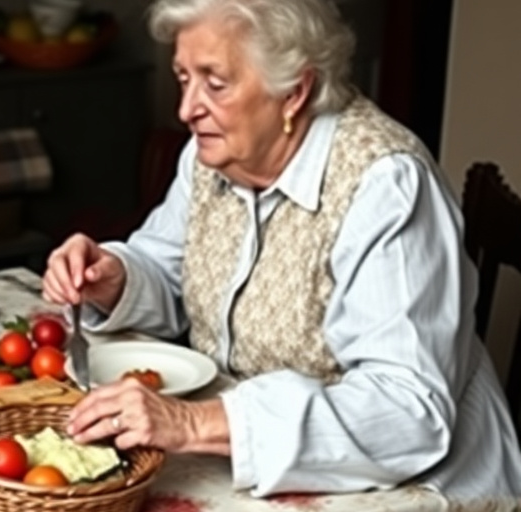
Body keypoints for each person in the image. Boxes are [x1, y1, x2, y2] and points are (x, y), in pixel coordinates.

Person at [44, 0, 521, 503]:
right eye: (184, 78)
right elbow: (169, 269)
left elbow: (406, 412)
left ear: (295, 91)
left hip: (415, 486)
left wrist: (194, 422)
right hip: (255, 465)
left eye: (215, 82)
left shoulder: (386, 185)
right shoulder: (214, 152)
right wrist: (117, 276)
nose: (187, 109)